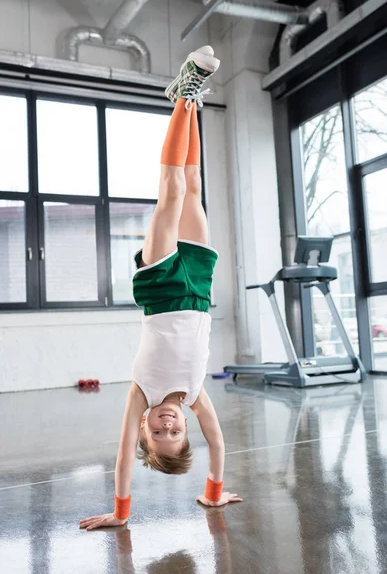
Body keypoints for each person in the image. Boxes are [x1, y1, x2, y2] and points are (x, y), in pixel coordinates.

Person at [80, 46, 242, 531]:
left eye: (157, 431)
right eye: (174, 430)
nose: (166, 422)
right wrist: (213, 494)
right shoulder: (194, 396)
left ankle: (186, 93)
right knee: (192, 185)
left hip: (158, 287)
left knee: (169, 190)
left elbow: (122, 461)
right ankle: (185, 99)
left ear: (145, 434)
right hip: (196, 289)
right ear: (185, 425)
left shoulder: (140, 395)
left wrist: (121, 513)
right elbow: (217, 443)